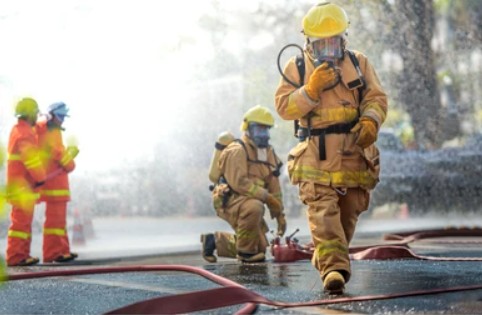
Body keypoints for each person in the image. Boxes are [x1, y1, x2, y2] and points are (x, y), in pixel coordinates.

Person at [274, 2, 387, 294]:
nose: (328, 48)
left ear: (343, 37)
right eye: (321, 43)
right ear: (308, 41)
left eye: (333, 41)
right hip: (316, 157)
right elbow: (284, 107)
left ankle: (328, 257)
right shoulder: (297, 67)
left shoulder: (359, 63)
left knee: (348, 214)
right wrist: (310, 89)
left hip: (354, 156)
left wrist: (371, 122)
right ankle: (334, 269)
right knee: (323, 213)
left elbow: (376, 98)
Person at [201, 105, 287, 263]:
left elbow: (274, 184)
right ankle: (245, 253)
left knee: (260, 248)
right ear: (248, 128)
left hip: (250, 200)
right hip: (231, 199)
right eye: (259, 130)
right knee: (255, 207)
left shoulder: (268, 152)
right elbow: (239, 183)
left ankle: (213, 241)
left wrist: (280, 214)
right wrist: (266, 198)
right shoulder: (237, 150)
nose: (264, 134)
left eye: (266, 130)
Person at [36, 102, 79, 263]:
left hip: (58, 185)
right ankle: (53, 254)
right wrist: (71, 160)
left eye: (63, 117)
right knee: (54, 223)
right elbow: (59, 155)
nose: (62, 120)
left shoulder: (51, 130)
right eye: (60, 116)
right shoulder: (50, 132)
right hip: (55, 187)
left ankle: (62, 251)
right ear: (52, 115)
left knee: (59, 222)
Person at [5, 97, 46, 266]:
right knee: (21, 224)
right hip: (22, 187)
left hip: (20, 185)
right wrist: (41, 177)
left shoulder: (18, 130)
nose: (37, 116)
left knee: (23, 222)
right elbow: (31, 161)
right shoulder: (25, 134)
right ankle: (16, 256)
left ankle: (21, 255)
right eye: (35, 113)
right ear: (30, 114)